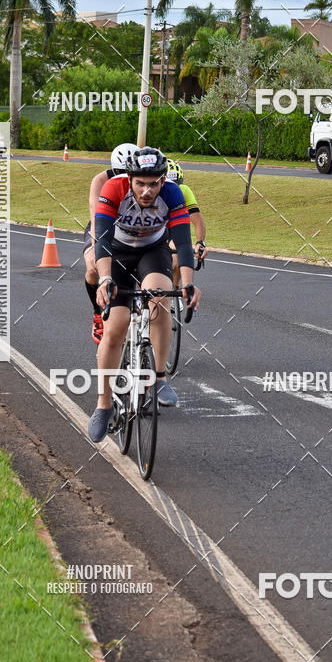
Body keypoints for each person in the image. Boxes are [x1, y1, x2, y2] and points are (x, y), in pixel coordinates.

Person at [87, 147, 201, 442]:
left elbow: (183, 242)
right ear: (130, 179)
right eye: (140, 183)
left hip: (152, 251)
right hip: (117, 253)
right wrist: (106, 279)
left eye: (153, 184)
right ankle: (104, 405)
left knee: (161, 297)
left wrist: (188, 283)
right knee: (115, 326)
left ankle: (159, 378)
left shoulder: (173, 193)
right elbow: (102, 238)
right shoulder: (114, 188)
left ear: (163, 180)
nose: (147, 191)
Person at [83, 143, 139, 345]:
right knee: (92, 268)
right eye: (119, 172)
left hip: (132, 226)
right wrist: (96, 249)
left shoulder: (143, 180)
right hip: (103, 223)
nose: (124, 177)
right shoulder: (100, 180)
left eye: (128, 172)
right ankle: (98, 314)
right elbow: (96, 216)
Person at [165, 158, 208, 287]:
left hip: (173, 228)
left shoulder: (184, 190)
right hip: (151, 228)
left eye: (176, 186)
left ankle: (175, 289)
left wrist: (200, 242)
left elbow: (197, 220)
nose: (172, 190)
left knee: (176, 253)